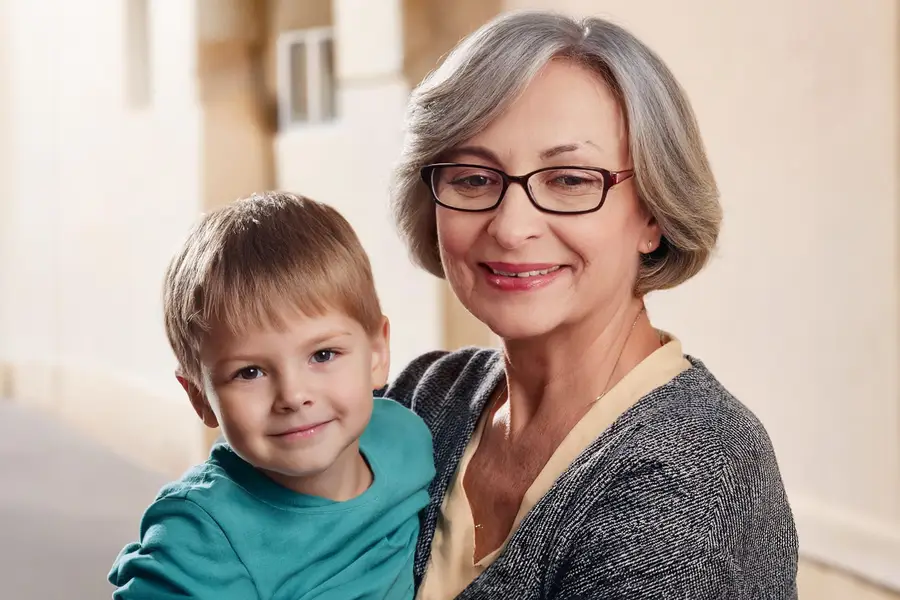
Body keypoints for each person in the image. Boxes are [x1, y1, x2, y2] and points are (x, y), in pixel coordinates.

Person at [387, 10, 798, 599]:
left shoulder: (694, 471)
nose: (511, 227)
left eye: (571, 180)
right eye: (474, 178)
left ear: (653, 215)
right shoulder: (424, 399)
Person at [108, 192, 435, 599]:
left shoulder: (407, 439)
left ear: (377, 355)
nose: (294, 395)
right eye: (250, 372)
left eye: (323, 354)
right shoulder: (198, 538)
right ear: (199, 397)